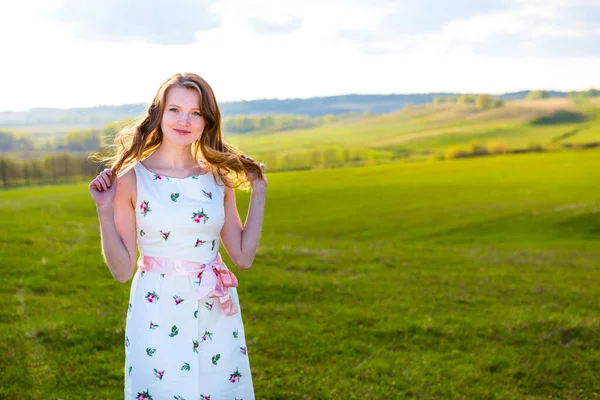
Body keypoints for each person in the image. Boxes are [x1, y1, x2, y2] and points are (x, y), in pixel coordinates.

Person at [88, 72, 267, 400]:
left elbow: (242, 256)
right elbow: (122, 271)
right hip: (157, 310)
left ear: (206, 121)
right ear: (159, 113)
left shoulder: (217, 178)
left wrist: (258, 191)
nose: (184, 120)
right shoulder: (132, 179)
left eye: (196, 112)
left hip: (214, 303)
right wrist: (104, 209)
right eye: (175, 109)